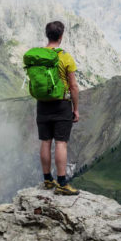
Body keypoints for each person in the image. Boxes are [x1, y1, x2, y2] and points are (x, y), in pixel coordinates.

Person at [36, 21, 80, 195]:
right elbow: (73, 86)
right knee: (61, 142)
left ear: (47, 35)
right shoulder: (65, 57)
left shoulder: (38, 56)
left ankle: (47, 180)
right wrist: (75, 109)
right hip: (61, 104)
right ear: (61, 36)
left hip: (42, 104)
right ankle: (62, 182)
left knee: (45, 141)